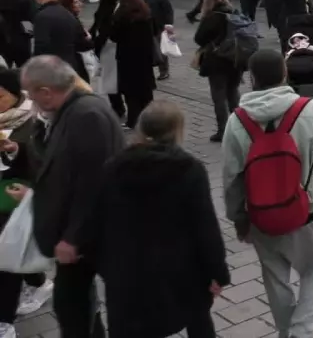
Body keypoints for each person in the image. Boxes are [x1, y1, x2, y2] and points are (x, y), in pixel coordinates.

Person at [222, 50, 313, 338]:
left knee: (275, 279)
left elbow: (232, 178)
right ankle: (300, 331)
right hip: (308, 209)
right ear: (285, 74)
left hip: (260, 214)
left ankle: (287, 332)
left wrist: (238, 218)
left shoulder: (236, 121)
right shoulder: (311, 110)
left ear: (251, 79)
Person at [82, 101, 229, 338]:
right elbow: (205, 228)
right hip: (181, 271)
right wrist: (218, 272)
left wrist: (104, 265)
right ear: (177, 132)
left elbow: (95, 221)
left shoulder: (113, 168)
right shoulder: (189, 169)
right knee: (199, 320)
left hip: (126, 273)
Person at [19, 56, 124, 338]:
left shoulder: (86, 115)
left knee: (72, 306)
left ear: (45, 92)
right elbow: (64, 167)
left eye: (31, 93)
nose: (30, 99)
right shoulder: (69, 112)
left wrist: (73, 237)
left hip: (87, 236)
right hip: (80, 234)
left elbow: (94, 183)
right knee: (74, 305)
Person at [0, 69, 53, 336]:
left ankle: (4, 322)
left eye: (0, 96)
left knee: (6, 259)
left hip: (17, 194)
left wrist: (15, 150)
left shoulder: (32, 121)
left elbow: (39, 163)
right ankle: (38, 282)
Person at [194, 0, 245, 142]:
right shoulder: (235, 14)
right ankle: (242, 126)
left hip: (217, 60)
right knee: (233, 93)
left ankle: (223, 130)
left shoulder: (212, 17)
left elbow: (199, 38)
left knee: (219, 96)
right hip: (236, 59)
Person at [110, 0, 158, 129]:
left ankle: (133, 120)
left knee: (131, 93)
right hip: (144, 58)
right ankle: (151, 118)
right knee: (146, 91)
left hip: (127, 59)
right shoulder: (146, 13)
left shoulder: (122, 15)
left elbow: (114, 36)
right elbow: (154, 32)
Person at [32, 0, 92, 82]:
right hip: (72, 65)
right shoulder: (69, 15)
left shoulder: (42, 16)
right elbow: (83, 43)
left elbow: (41, 45)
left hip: (53, 68)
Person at [134, 0, 175, 81]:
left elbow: (168, 10)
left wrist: (169, 24)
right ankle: (147, 72)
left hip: (157, 26)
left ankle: (164, 71)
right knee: (144, 51)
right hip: (141, 27)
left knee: (161, 50)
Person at [0, 0, 34, 68]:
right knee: (24, 70)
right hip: (19, 40)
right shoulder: (24, 0)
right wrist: (30, 35)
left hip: (1, 41)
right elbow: (27, 22)